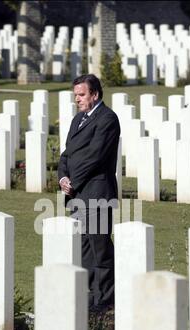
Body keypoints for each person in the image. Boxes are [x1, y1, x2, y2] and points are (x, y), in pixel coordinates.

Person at [58, 74, 120, 312]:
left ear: (95, 94)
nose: (77, 99)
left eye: (81, 94)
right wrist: (62, 177)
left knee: (100, 247)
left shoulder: (108, 119)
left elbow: (95, 155)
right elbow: (67, 154)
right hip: (78, 194)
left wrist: (73, 180)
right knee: (84, 248)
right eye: (75, 95)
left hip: (97, 192)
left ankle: (106, 299)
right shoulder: (78, 120)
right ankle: (94, 294)